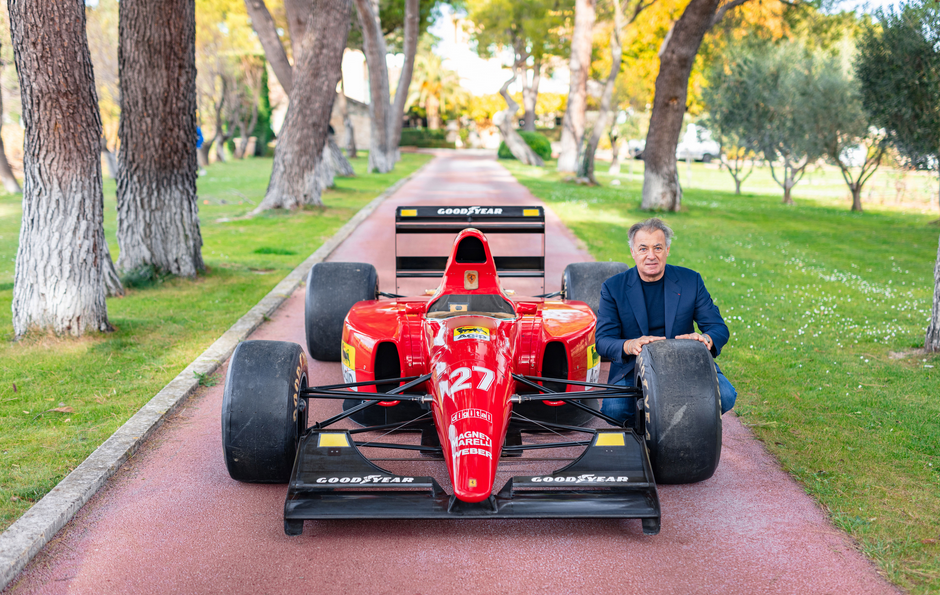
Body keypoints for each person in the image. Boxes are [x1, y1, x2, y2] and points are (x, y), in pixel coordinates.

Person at [595, 217, 736, 423]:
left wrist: (705, 338)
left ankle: (677, 425)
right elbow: (603, 340)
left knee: (725, 395)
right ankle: (651, 429)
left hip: (684, 361)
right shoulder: (613, 287)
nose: (651, 256)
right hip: (635, 365)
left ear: (667, 250)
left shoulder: (691, 280)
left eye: (658, 248)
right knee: (614, 411)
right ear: (633, 252)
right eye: (643, 249)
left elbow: (717, 327)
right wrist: (630, 344)